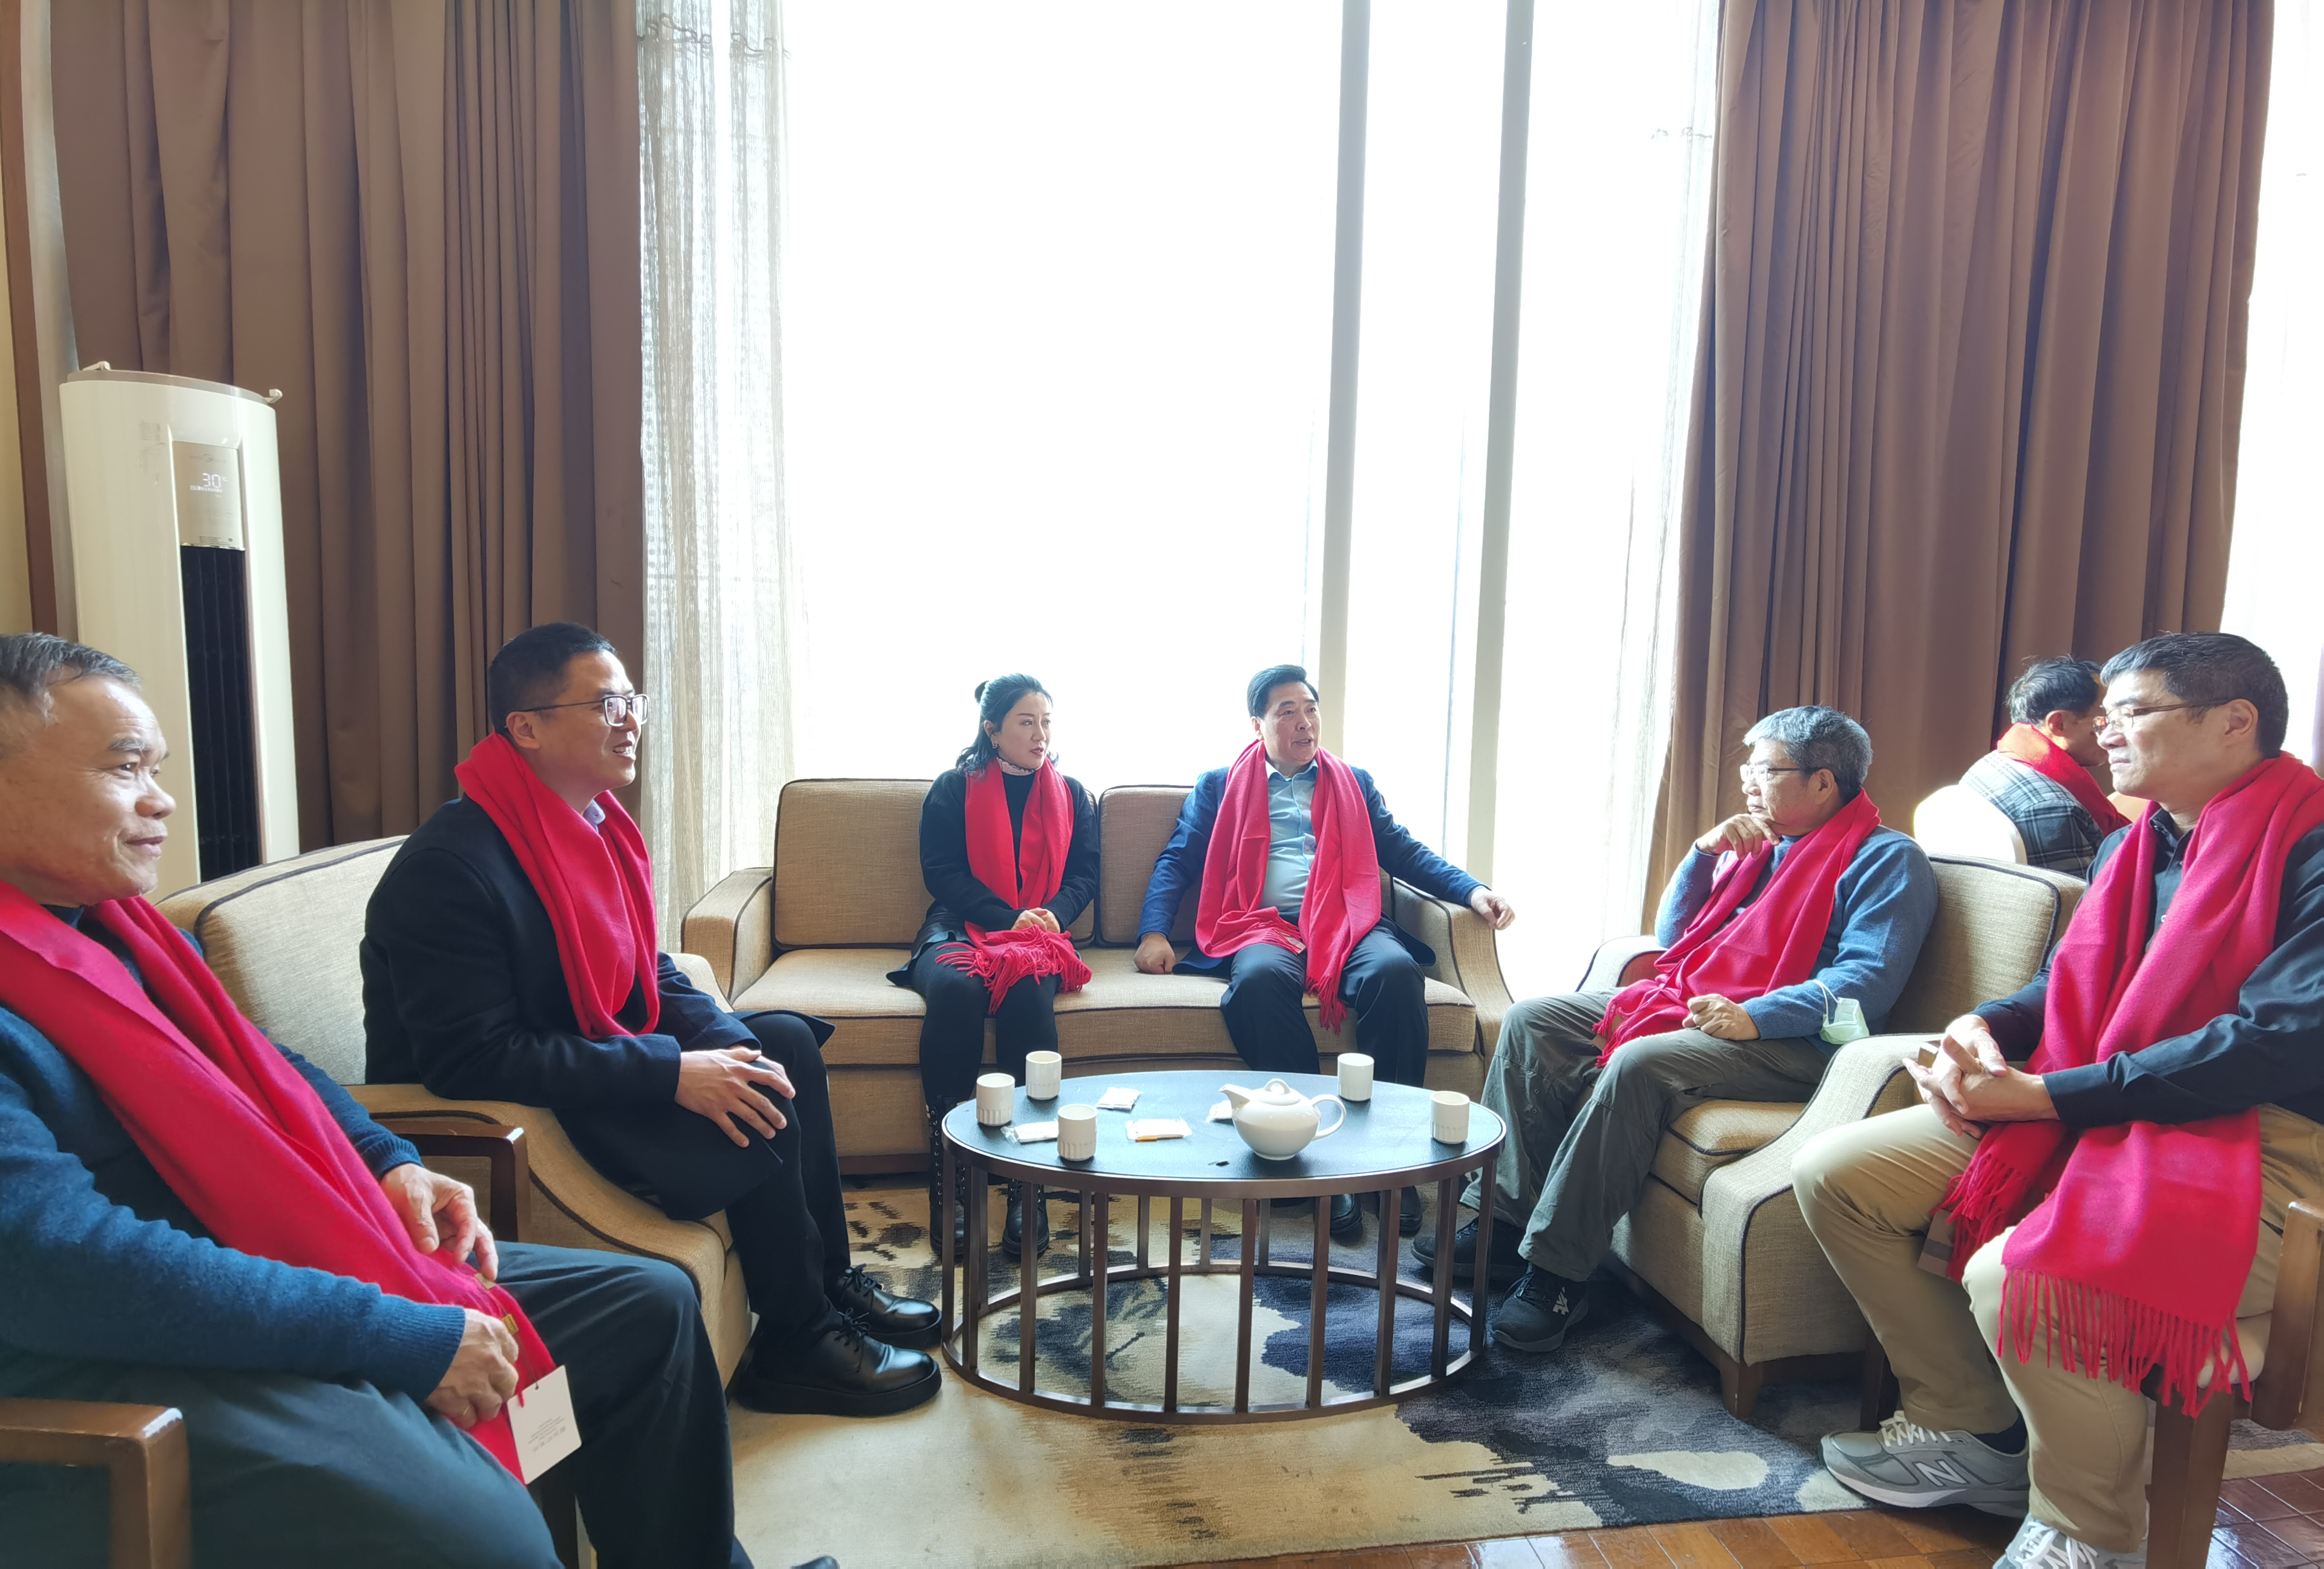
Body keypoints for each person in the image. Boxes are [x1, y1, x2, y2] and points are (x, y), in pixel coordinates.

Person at [0, 633, 770, 1569]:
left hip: (262, 1253)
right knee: (480, 1535)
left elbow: (267, 1064)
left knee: (645, 1306)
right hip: (119, 1353)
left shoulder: (120, 933)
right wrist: (397, 1336)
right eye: (126, 770)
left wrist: (385, 1161)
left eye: (157, 770)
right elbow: (64, 1268)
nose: (161, 801)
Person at [1795, 633, 2324, 1569]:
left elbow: (2277, 1044)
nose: (2102, 734)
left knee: (2026, 1277)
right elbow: (2064, 984)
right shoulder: (2133, 843)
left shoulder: (2309, 845)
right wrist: (1981, 1026)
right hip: (2110, 1101)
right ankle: (1975, 1428)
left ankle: (2088, 1533)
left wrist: (2048, 1097)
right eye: (2104, 715)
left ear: (2235, 721)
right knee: (1841, 1174)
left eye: (2131, 713)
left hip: (2261, 1136)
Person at [364, 623, 939, 1421]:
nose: (630, 720)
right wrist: (671, 1073)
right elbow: (472, 1057)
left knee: (780, 1044)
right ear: (526, 728)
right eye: (606, 704)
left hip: (585, 1057)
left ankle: (824, 1284)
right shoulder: (452, 867)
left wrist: (725, 1041)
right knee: (749, 1103)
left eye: (631, 700)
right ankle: (795, 1344)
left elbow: (650, 970)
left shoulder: (586, 826)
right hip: (525, 1107)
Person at [1423, 706, 1937, 1355]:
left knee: (1641, 1061)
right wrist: (1702, 855)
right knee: (1534, 1020)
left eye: (1765, 769)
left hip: (1807, 1045)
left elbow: (1867, 983)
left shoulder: (1887, 860)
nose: (1747, 781)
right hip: (1701, 1003)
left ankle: (1557, 1275)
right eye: (1748, 768)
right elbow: (1675, 939)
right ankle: (1505, 1222)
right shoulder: (1762, 846)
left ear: (1823, 782)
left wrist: (1757, 1017)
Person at [1136, 664, 1516, 1242]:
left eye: (1310, 709)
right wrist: (1154, 932)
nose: (1304, 722)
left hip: (1347, 920)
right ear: (1257, 724)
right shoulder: (1218, 785)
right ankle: (1314, 1156)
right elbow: (1178, 860)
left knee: (1395, 972)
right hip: (1262, 925)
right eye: (1286, 711)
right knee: (1258, 983)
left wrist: (1472, 891)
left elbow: (1403, 851)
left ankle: (1390, 1159)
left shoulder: (1352, 782)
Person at [890, 674, 1097, 1260]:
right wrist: (1009, 916)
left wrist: (1052, 915)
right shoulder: (953, 788)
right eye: (1027, 722)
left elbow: (1085, 872)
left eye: (1046, 722)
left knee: (1028, 988)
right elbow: (942, 873)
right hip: (960, 923)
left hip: (1039, 932)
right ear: (992, 729)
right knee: (958, 990)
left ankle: (1028, 1183)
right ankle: (950, 1178)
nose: (1040, 734)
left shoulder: (1072, 794)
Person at [1962, 656, 2129, 876]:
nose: (2116, 735)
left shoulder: (1993, 763)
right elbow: (2079, 896)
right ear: (2059, 724)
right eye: (2106, 721)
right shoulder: (2053, 809)